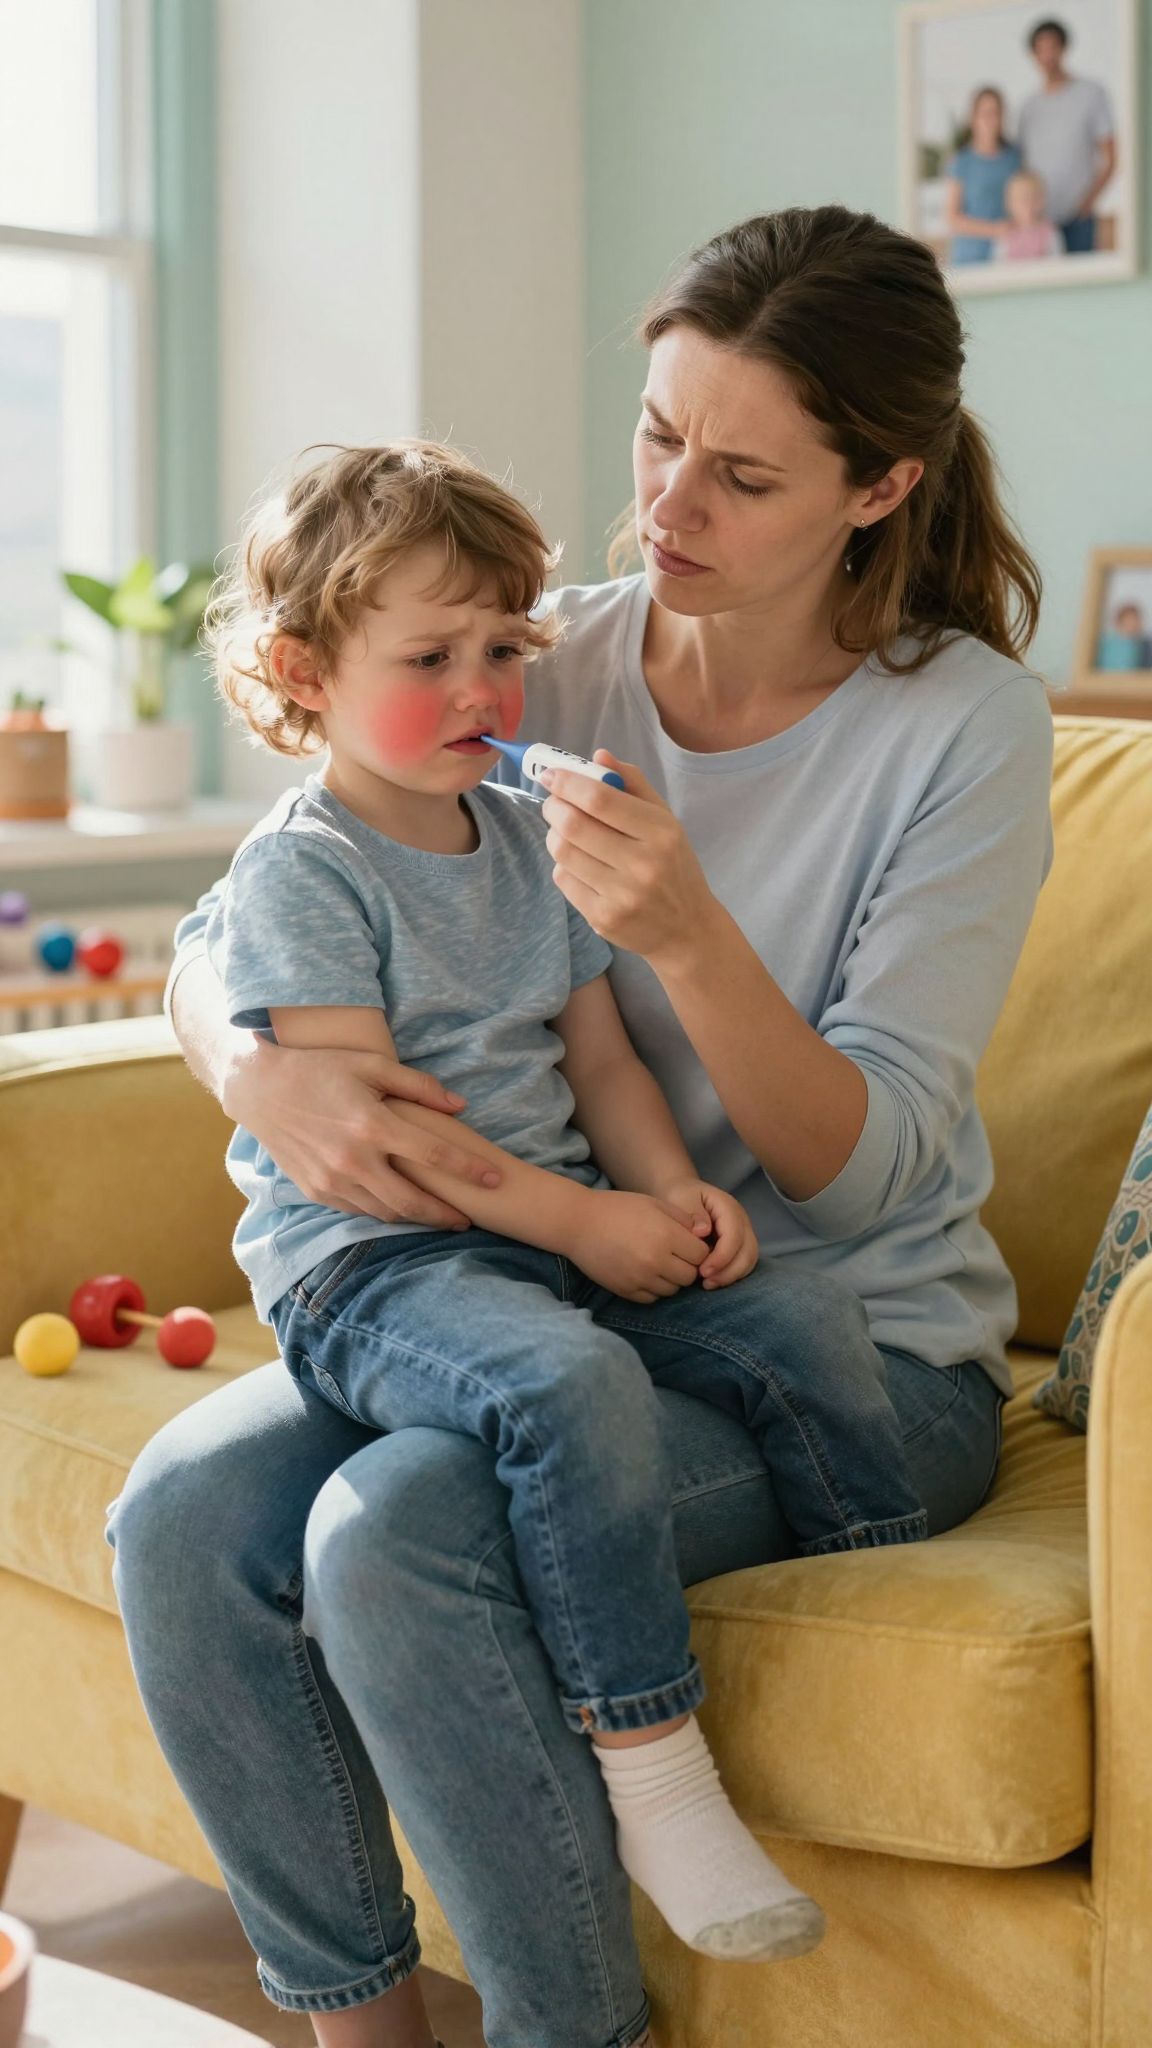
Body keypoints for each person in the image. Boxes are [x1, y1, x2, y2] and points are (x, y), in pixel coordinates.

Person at [107, 205, 1053, 2048]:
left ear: (879, 486)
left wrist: (687, 937)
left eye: (742, 471)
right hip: (538, 1278)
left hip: (834, 1339)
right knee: (179, 1517)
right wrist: (255, 1064)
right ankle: (354, 2026)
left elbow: (864, 1170)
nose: (666, 506)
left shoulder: (959, 729)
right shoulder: (546, 657)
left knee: (395, 1537)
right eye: (654, 434)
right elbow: (259, 912)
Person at [200, 438, 930, 1967]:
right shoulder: (307, 874)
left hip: (540, 1239)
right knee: (567, 1378)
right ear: (302, 670)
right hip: (383, 1272)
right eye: (430, 657)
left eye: (504, 652)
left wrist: (669, 1192)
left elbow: (599, 1053)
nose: (480, 690)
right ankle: (655, 1775)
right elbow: (391, 1153)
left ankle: (884, 1569)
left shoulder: (527, 836)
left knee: (792, 1306)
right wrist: (592, 1230)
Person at [1019, 17, 1116, 255]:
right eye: (1040, 49)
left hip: (1079, 219)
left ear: (1064, 49)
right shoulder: (1028, 108)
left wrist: (1087, 203)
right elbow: (1023, 166)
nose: (1047, 56)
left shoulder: (1091, 93)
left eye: (1052, 47)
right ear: (1034, 55)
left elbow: (1111, 156)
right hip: (1039, 223)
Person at [944, 86, 1020, 264]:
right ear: (973, 118)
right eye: (985, 113)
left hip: (1007, 256)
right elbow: (952, 219)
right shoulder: (961, 162)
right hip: (969, 258)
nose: (990, 120)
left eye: (996, 113)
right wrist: (994, 230)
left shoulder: (1014, 159)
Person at [996, 171, 1062, 260]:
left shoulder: (1050, 231)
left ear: (1042, 201)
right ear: (1010, 204)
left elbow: (1059, 264)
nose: (1027, 204)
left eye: (1033, 198)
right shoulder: (1004, 233)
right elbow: (997, 267)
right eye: (1020, 199)